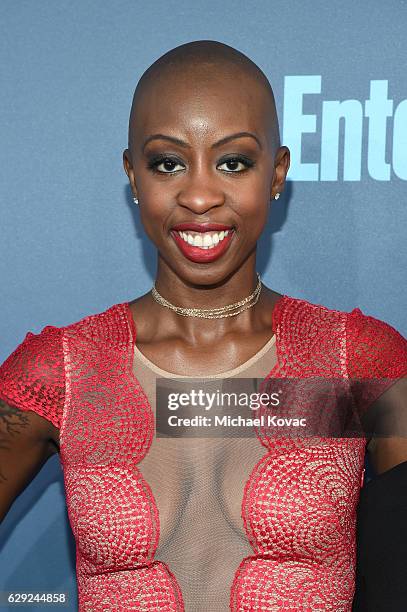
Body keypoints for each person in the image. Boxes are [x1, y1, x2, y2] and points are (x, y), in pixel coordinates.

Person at [0, 40, 406, 612]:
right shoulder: (60, 372)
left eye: (233, 162)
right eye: (167, 163)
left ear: (277, 172)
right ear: (132, 175)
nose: (199, 195)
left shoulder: (359, 363)